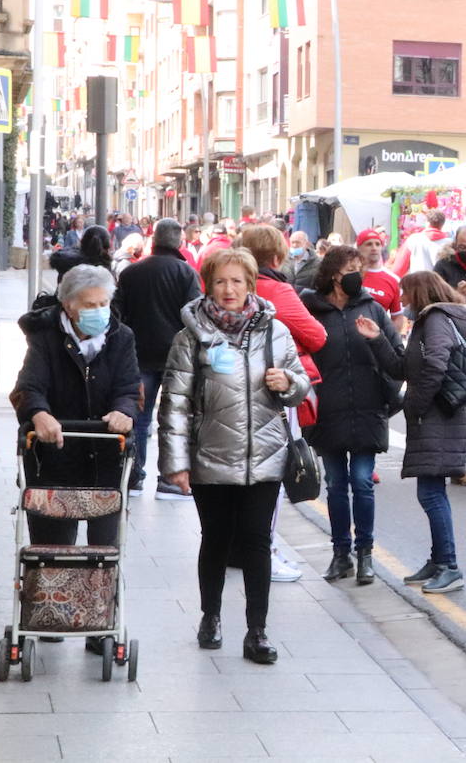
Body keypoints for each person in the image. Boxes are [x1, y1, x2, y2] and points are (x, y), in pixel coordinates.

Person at [158, 249, 310, 665]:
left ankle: (257, 630)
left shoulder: (275, 332)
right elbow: (173, 403)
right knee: (217, 541)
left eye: (237, 281)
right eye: (221, 281)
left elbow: (301, 385)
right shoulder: (190, 336)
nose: (229, 290)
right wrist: (175, 463)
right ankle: (211, 616)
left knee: (258, 542)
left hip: (265, 455)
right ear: (208, 283)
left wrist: (289, 382)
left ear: (251, 285)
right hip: (211, 455)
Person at [11, 265, 140, 654]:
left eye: (104, 303)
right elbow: (28, 387)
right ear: (69, 306)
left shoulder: (121, 337)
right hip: (56, 456)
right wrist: (39, 413)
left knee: (104, 550)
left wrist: (122, 411)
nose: (99, 311)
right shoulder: (46, 337)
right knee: (53, 547)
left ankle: (101, 625)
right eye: (89, 304)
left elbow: (130, 388)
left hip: (105, 458)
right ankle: (50, 615)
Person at [300, 245, 406, 585]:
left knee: (362, 482)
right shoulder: (311, 310)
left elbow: (398, 363)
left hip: (368, 408)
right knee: (334, 485)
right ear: (334, 274)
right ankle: (340, 553)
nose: (358, 274)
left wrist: (376, 340)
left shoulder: (374, 310)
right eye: (352, 268)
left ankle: (365, 554)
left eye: (360, 267)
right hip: (327, 410)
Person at [237, 224, 329, 583]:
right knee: (272, 474)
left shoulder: (222, 286)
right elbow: (316, 336)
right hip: (273, 390)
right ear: (276, 257)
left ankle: (239, 548)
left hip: (229, 392)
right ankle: (264, 552)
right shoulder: (278, 289)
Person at [396, 270, 466, 594]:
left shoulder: (436, 318)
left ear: (419, 293)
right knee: (430, 491)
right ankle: (438, 560)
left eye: (405, 294)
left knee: (431, 493)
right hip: (438, 416)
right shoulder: (434, 318)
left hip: (438, 417)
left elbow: (437, 363)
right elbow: (407, 366)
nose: (402, 301)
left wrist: (417, 402)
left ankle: (449, 566)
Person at [115, 218, 202, 499]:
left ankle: (134, 476)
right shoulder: (186, 273)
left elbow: (118, 315)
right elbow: (195, 316)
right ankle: (169, 479)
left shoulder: (131, 273)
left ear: (154, 242)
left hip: (138, 356)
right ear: (179, 242)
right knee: (173, 419)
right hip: (176, 358)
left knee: (139, 418)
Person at [355, 228, 405, 331]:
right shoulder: (350, 274)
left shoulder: (393, 280)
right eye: (369, 244)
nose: (374, 248)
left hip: (377, 341)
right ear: (359, 248)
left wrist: (390, 341)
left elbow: (397, 317)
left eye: (378, 244)